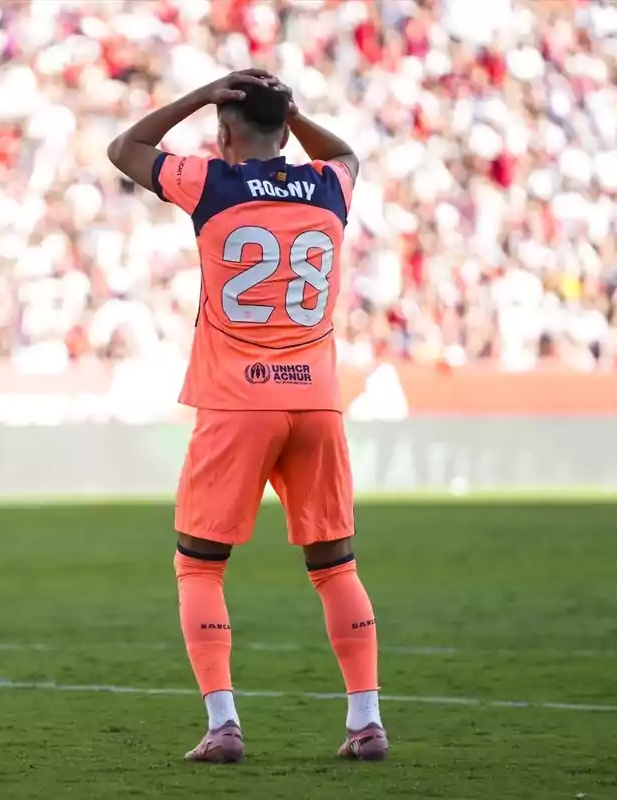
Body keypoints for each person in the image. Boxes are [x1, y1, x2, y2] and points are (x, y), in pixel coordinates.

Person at [107, 70, 386, 763]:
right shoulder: (330, 186)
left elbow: (125, 147)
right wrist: (292, 113)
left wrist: (203, 94)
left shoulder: (212, 181)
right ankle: (366, 721)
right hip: (316, 398)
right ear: (289, 129)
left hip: (238, 402)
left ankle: (224, 725)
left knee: (199, 567)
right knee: (334, 565)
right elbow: (348, 152)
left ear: (226, 135)